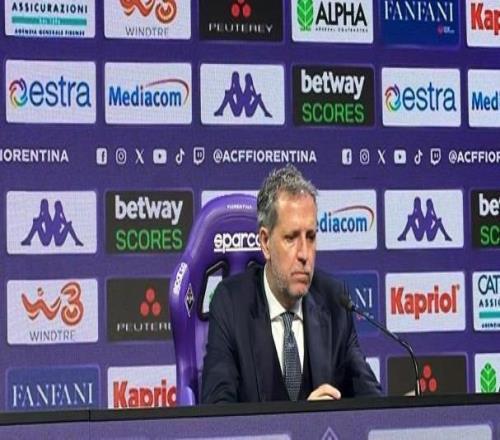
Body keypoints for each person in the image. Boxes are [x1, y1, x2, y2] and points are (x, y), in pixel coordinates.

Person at [202, 165, 382, 403]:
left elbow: (371, 402)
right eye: (291, 238)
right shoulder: (231, 304)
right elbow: (218, 409)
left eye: (311, 237)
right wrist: (305, 420)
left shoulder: (334, 300)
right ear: (265, 242)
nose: (304, 254)